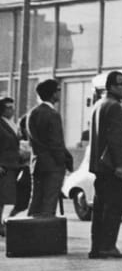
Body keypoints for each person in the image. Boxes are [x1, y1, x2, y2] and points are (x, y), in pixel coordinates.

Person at [88, 70, 122, 259]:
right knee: (113, 208)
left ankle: (97, 247)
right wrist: (120, 164)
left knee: (100, 208)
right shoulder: (114, 107)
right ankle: (108, 246)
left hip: (99, 167)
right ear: (111, 87)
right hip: (112, 167)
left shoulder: (99, 105)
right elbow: (116, 139)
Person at [27, 78, 74, 217]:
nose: (60, 93)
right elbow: (56, 143)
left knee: (36, 201)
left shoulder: (32, 113)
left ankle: (29, 234)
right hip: (53, 166)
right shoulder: (53, 115)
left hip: (37, 164)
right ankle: (45, 236)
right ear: (53, 94)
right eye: (58, 90)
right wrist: (63, 162)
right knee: (49, 202)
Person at [0, 97, 21, 236]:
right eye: (8, 107)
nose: (12, 110)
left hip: (12, 164)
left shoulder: (11, 123)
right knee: (1, 197)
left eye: (13, 107)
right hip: (3, 165)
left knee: (5, 197)